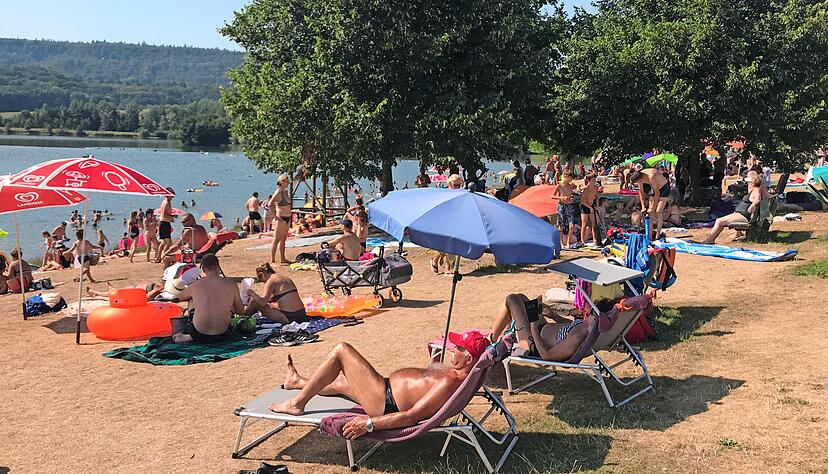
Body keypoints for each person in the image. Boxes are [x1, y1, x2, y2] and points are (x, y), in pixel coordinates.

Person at [267, 331, 489, 436]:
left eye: (459, 348)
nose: (453, 348)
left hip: (385, 403)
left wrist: (369, 424)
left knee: (341, 351)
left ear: (469, 359)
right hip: (385, 392)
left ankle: (297, 403)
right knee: (344, 382)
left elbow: (412, 416)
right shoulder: (460, 374)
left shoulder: (452, 380)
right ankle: (298, 382)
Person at [488, 293, 609, 362]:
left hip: (533, 345)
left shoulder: (578, 337)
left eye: (591, 313)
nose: (587, 313)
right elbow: (569, 326)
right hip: (540, 328)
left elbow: (547, 356)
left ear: (597, 319)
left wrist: (533, 328)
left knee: (512, 299)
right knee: (522, 298)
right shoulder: (586, 327)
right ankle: (502, 337)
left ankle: (491, 341)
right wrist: (553, 315)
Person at [172, 254, 245, 344]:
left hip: (199, 334)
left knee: (191, 298)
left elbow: (181, 297)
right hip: (223, 334)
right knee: (226, 303)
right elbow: (241, 311)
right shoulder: (231, 284)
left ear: (203, 269)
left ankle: (190, 336)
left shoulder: (196, 285)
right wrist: (228, 307)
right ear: (218, 266)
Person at [702, 172, 766, 244]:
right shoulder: (755, 189)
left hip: (744, 215)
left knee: (719, 221)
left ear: (752, 180)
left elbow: (758, 199)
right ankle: (711, 239)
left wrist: (752, 206)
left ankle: (709, 240)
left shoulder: (756, 189)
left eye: (748, 179)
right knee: (720, 220)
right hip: (741, 214)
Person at [243, 263, 309, 324]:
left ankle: (242, 317)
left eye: (261, 279)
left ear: (262, 274)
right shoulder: (284, 278)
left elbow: (262, 302)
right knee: (270, 305)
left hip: (290, 317)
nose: (263, 282)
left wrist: (252, 293)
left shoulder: (271, 281)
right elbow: (282, 297)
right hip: (301, 314)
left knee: (254, 302)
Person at [630, 168, 670, 240]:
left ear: (641, 178)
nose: (640, 182)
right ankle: (650, 236)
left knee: (658, 212)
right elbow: (641, 192)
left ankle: (658, 235)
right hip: (654, 188)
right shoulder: (638, 176)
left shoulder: (651, 176)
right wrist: (643, 207)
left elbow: (657, 194)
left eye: (640, 181)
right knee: (650, 213)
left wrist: (653, 208)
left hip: (664, 187)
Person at [269, 175, 292, 265]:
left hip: (287, 217)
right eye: (286, 181)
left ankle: (283, 259)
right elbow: (270, 204)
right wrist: (274, 216)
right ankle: (272, 260)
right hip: (281, 218)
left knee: (283, 239)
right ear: (282, 182)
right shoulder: (278, 192)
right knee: (276, 240)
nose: (288, 183)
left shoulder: (285, 192)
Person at [553, 172, 577, 248]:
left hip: (569, 206)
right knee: (561, 225)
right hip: (561, 205)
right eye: (570, 177)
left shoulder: (571, 185)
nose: (571, 179)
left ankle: (568, 242)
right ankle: (561, 243)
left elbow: (576, 190)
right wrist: (561, 198)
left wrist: (572, 196)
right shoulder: (559, 185)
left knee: (571, 225)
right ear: (565, 176)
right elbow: (552, 196)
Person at [579, 173, 600, 246]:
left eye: (595, 180)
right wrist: (589, 207)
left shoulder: (596, 187)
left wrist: (596, 205)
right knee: (584, 224)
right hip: (585, 206)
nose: (594, 181)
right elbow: (582, 201)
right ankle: (582, 240)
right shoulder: (586, 189)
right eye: (593, 180)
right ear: (588, 180)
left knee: (593, 224)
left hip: (591, 205)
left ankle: (595, 239)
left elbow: (597, 196)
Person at [155, 188, 175, 263]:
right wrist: (173, 217)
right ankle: (164, 256)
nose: (172, 197)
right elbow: (164, 215)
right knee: (168, 243)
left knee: (164, 242)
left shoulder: (164, 202)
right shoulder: (166, 203)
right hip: (164, 223)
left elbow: (164, 214)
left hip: (163, 222)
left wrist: (171, 217)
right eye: (171, 196)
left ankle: (158, 257)